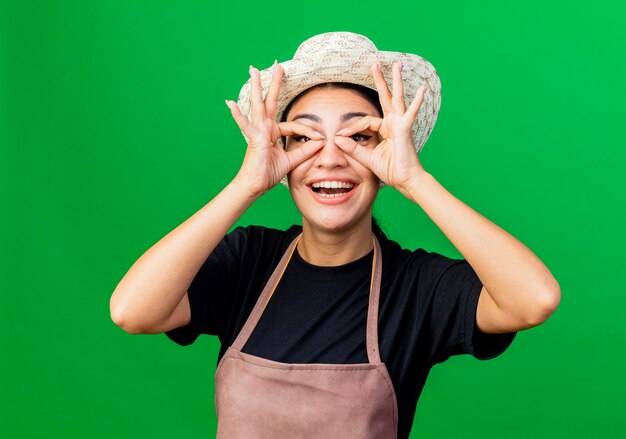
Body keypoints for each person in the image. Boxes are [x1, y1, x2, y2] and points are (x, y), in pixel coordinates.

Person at [110, 32, 561, 439]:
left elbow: (534, 299)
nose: (329, 158)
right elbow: (133, 311)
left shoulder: (418, 288)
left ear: (386, 153)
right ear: (280, 156)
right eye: (305, 137)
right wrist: (244, 186)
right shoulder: (247, 261)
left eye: (358, 137)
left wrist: (414, 180)